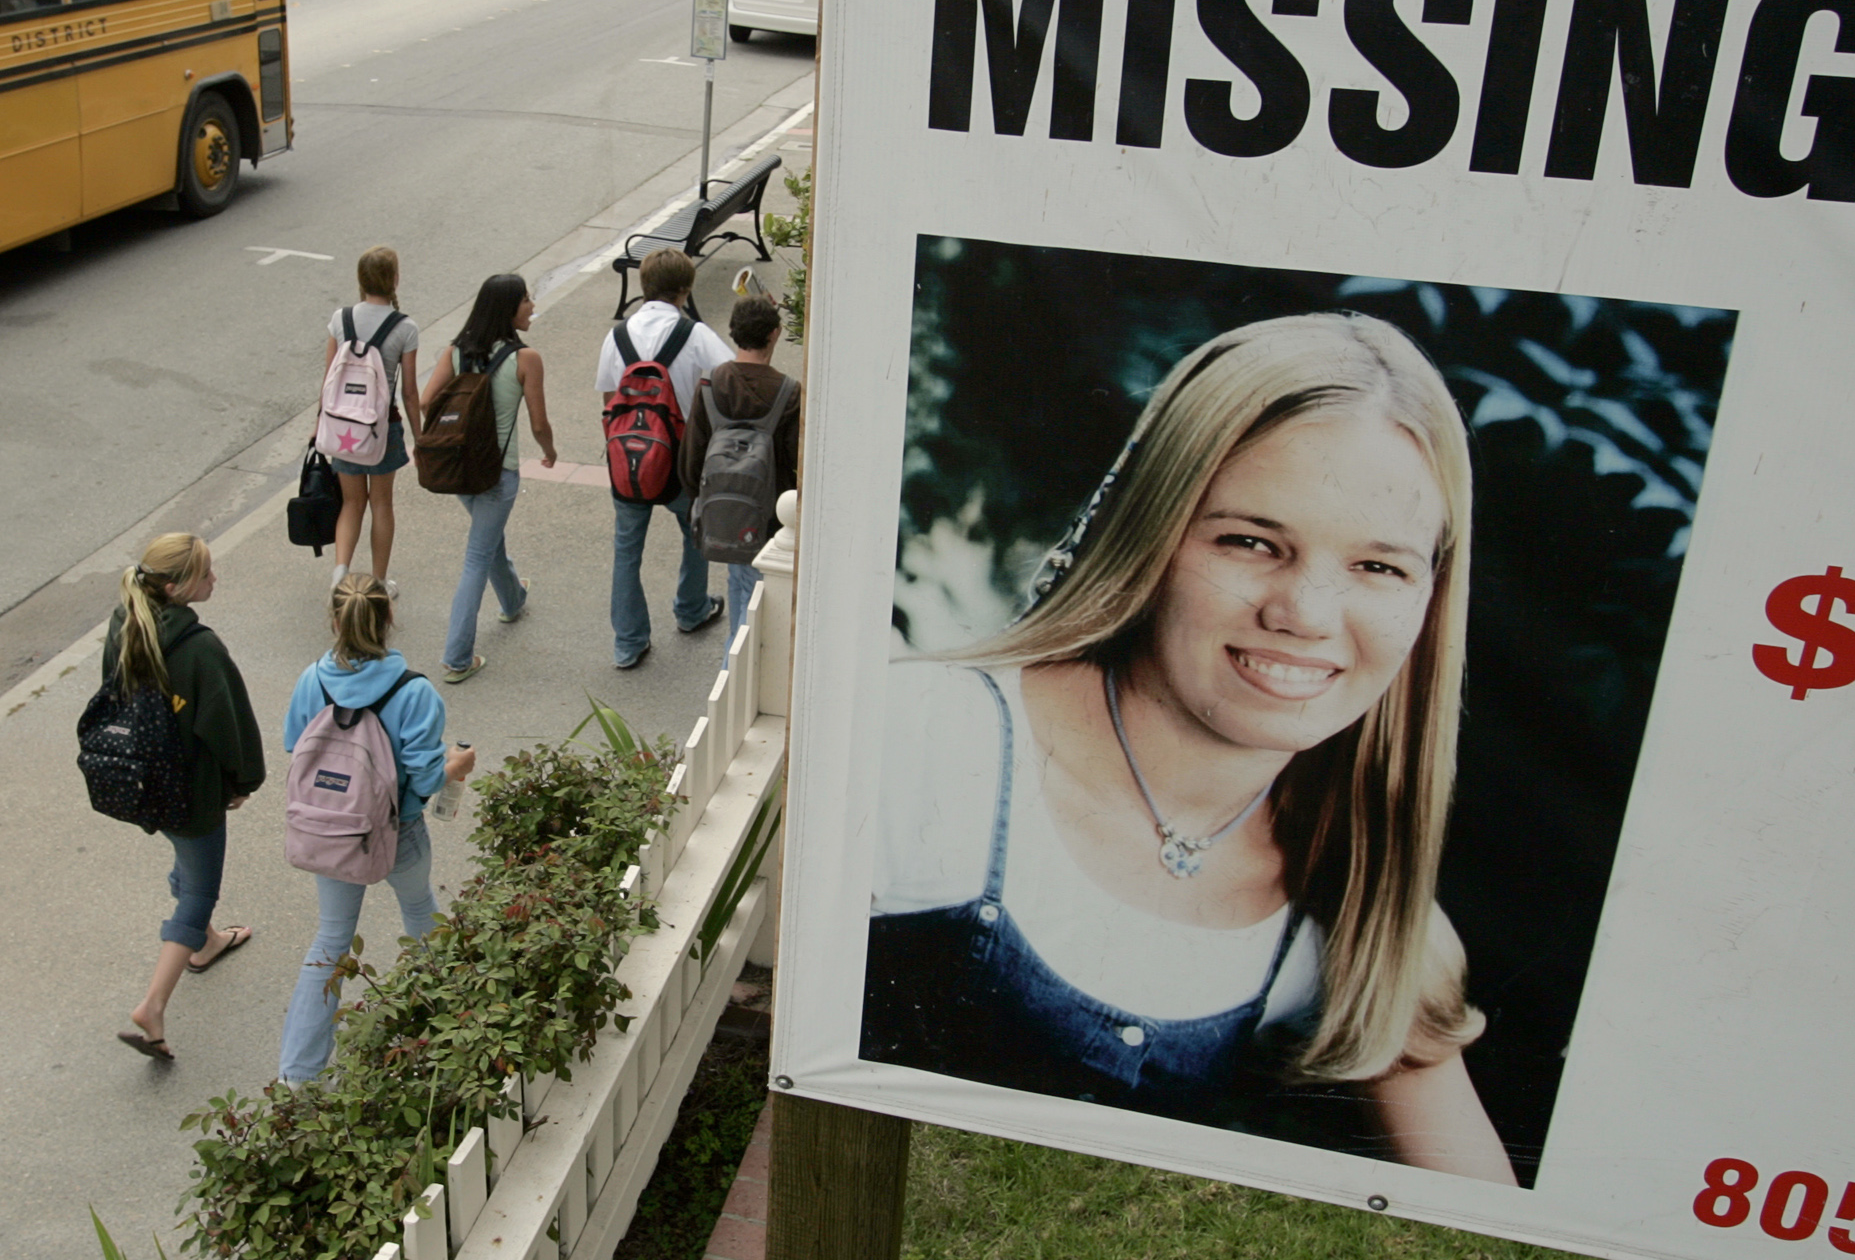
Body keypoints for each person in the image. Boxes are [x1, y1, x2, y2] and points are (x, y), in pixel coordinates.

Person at [862, 312, 1515, 1183]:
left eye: (1379, 567)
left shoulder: (1363, 906)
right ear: (1153, 533)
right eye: (1250, 542)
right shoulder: (921, 744)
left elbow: (1486, 1212)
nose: (1307, 613)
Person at [278, 575, 479, 1082]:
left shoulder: (312, 680)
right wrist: (457, 764)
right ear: (388, 619)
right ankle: (453, 1029)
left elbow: (294, 747)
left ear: (334, 621)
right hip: (399, 830)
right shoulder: (413, 691)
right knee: (419, 912)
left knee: (330, 941)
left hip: (334, 834)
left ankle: (296, 1078)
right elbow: (428, 776)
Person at [99, 533, 268, 1061]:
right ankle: (152, 1005)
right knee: (199, 889)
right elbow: (229, 725)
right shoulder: (200, 650)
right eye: (206, 574)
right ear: (176, 588)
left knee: (185, 861)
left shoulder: (123, 623)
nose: (214, 579)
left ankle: (209, 941)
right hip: (192, 790)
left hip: (142, 781)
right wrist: (244, 783)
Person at [418, 273, 557, 683]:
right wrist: (550, 453)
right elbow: (538, 423)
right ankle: (456, 657)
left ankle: (513, 599)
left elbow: (427, 401)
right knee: (477, 556)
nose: (532, 306)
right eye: (526, 300)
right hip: (498, 474)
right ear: (508, 308)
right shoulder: (525, 359)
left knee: (487, 540)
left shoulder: (456, 351)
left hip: (459, 470)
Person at [597, 249, 732, 669]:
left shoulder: (617, 336)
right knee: (695, 535)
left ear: (643, 285)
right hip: (681, 459)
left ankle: (628, 642)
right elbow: (729, 381)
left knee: (626, 549)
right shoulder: (696, 335)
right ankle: (691, 610)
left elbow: (607, 399)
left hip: (628, 457)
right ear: (685, 288)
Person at [680, 295, 801, 671]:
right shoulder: (789, 392)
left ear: (733, 333)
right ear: (775, 335)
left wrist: (708, 502)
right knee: (757, 602)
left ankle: (732, 670)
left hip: (725, 514)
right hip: (770, 520)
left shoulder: (711, 384)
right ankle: (734, 679)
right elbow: (799, 464)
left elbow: (690, 460)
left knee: (740, 587)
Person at [326, 246, 422, 593]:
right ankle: (379, 582)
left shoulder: (341, 319)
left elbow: (328, 380)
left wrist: (318, 426)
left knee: (352, 502)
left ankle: (340, 574)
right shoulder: (404, 327)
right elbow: (409, 391)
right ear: (394, 279)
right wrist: (419, 436)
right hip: (383, 427)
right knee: (382, 503)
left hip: (343, 427)